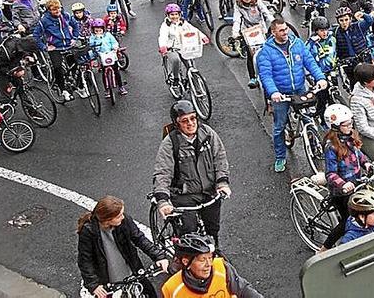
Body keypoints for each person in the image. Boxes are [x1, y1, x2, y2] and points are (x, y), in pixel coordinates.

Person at [152, 101, 231, 246]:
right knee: (188, 236)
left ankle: (213, 253)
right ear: (177, 124)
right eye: (184, 121)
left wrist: (222, 183)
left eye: (193, 118)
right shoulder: (170, 143)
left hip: (209, 192)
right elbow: (163, 172)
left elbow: (219, 157)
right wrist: (163, 201)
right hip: (184, 197)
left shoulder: (207, 133)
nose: (190, 123)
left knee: (213, 231)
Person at [256, 17, 328, 172]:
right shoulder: (266, 52)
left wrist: (320, 78)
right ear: (273, 32)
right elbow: (266, 75)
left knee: (308, 117)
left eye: (286, 29)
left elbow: (310, 62)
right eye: (281, 30)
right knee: (279, 126)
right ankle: (280, 157)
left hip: (299, 89)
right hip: (281, 94)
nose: (285, 32)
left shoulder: (297, 44)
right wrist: (273, 92)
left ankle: (313, 142)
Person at [77, 196, 168, 298]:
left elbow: (140, 239)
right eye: (118, 216)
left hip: (131, 270)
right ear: (108, 219)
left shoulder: (124, 221)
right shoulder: (88, 231)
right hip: (109, 279)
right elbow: (85, 260)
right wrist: (94, 285)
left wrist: (159, 256)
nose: (123, 217)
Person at [319, 104, 373, 252]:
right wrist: (343, 184)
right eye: (346, 124)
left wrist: (367, 164)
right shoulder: (331, 147)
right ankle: (324, 248)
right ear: (335, 126)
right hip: (342, 191)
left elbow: (358, 155)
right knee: (348, 221)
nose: (350, 126)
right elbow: (330, 174)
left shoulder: (350, 138)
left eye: (351, 122)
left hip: (357, 184)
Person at [162, 233, 262, 298]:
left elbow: (243, 289)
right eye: (202, 260)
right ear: (185, 261)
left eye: (210, 258)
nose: (209, 264)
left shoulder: (221, 267)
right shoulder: (171, 289)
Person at [33, 0, 81, 102]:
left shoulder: (66, 16)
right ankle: (63, 89)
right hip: (55, 47)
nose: (58, 11)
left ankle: (80, 86)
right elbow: (36, 36)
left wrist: (74, 37)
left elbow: (76, 25)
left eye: (59, 9)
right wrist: (45, 47)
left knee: (76, 65)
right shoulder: (44, 21)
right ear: (49, 10)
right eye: (55, 10)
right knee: (57, 67)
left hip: (68, 45)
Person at [157, 4, 210, 96]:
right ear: (168, 15)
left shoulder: (183, 23)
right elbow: (162, 36)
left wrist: (203, 36)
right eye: (172, 14)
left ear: (179, 14)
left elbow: (194, 30)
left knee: (190, 64)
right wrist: (163, 46)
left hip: (184, 47)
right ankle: (176, 81)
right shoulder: (165, 26)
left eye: (176, 14)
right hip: (171, 48)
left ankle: (195, 83)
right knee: (176, 60)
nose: (174, 17)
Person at [232, 0, 274, 89]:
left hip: (261, 30)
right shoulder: (238, 6)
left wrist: (273, 22)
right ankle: (253, 77)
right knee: (251, 56)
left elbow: (266, 13)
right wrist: (235, 32)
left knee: (268, 51)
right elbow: (237, 19)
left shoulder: (257, 3)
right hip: (248, 32)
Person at [332, 6, 374, 86]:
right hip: (349, 63)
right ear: (338, 21)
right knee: (355, 84)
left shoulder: (358, 26)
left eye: (346, 20)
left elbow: (370, 21)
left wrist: (363, 14)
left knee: (370, 80)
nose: (344, 23)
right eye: (341, 20)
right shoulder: (335, 32)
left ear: (350, 19)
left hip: (363, 59)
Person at [88, 18, 126, 97]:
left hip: (111, 54)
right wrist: (94, 47)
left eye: (100, 30)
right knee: (104, 74)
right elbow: (91, 45)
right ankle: (107, 90)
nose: (98, 32)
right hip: (102, 55)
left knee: (116, 71)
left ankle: (121, 86)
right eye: (96, 31)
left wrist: (115, 47)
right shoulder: (93, 37)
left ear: (103, 29)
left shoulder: (108, 35)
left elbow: (114, 42)